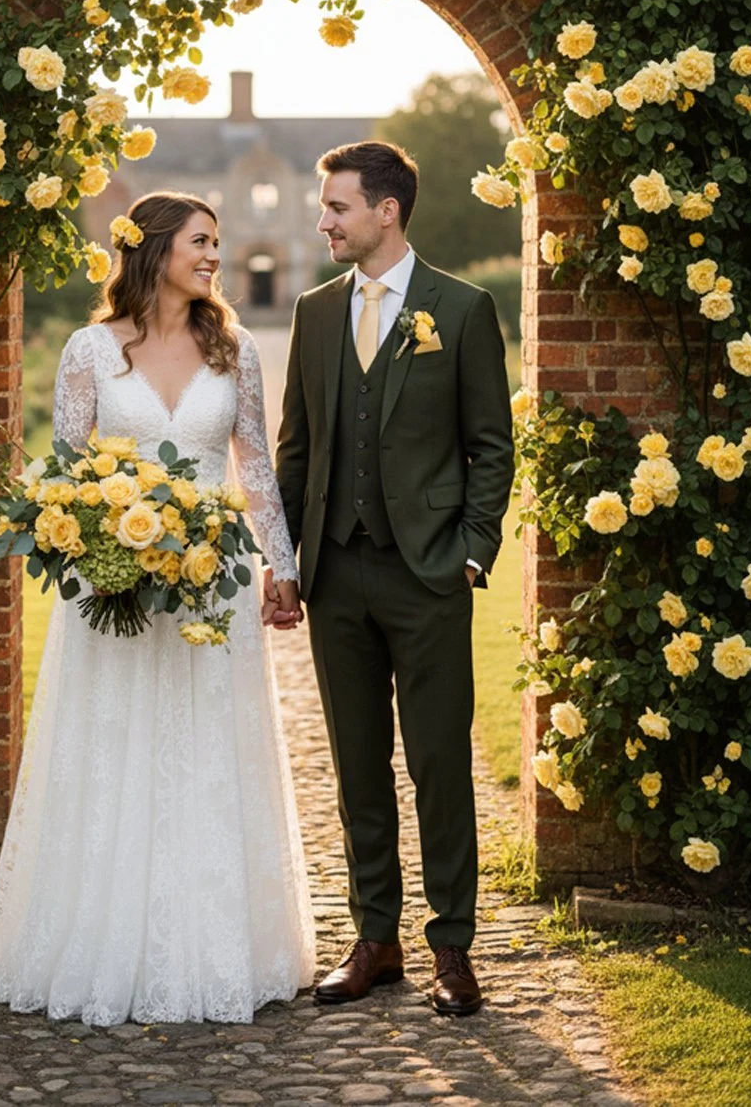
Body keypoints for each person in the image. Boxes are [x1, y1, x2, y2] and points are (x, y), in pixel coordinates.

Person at [0, 192, 315, 1025]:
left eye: (218, 244)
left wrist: (283, 567)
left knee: (207, 750)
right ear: (155, 249)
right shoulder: (91, 350)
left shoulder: (235, 352)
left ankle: (215, 945)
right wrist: (101, 549)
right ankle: (98, 939)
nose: (213, 257)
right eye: (201, 242)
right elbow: (68, 476)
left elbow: (256, 470)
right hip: (110, 589)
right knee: (112, 748)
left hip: (214, 585)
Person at [272, 141, 514, 1016]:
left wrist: (474, 550)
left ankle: (452, 947)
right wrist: (287, 565)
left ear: (387, 210)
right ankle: (376, 939)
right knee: (357, 766)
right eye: (324, 205)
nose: (324, 220)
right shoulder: (315, 311)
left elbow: (492, 445)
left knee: (442, 763)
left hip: (432, 575)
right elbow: (295, 451)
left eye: (337, 206)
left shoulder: (464, 307)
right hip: (338, 572)